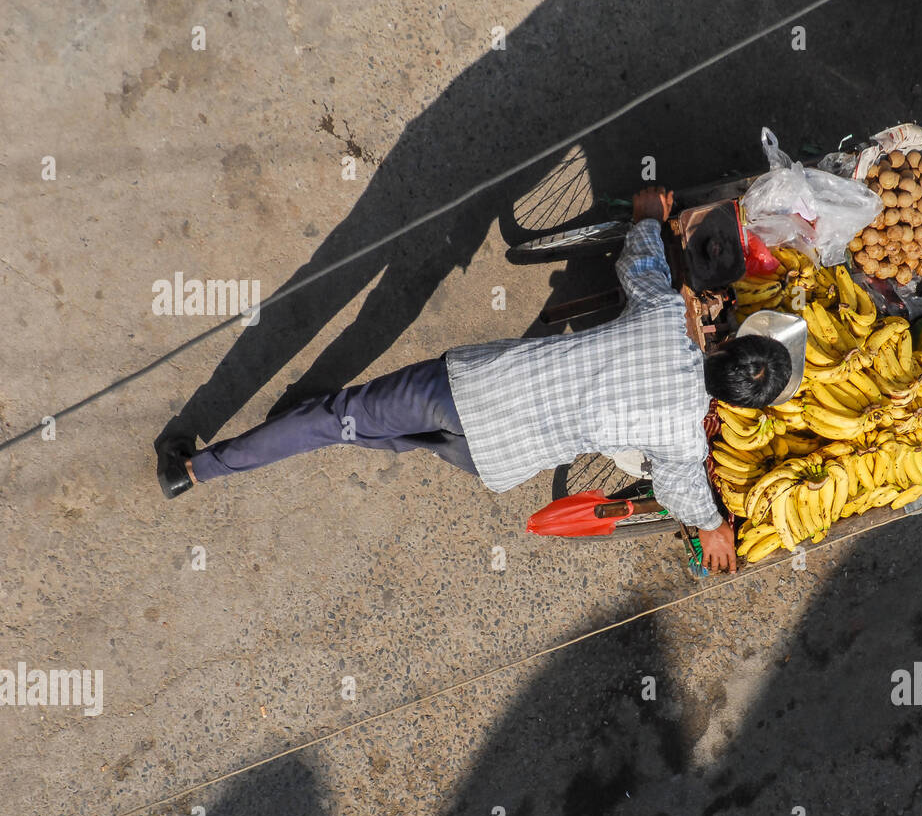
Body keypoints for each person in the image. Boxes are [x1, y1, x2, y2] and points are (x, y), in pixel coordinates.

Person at [157, 186, 792, 573]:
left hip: (467, 389)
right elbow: (685, 497)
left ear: (733, 341)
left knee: (342, 417)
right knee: (384, 433)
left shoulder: (663, 317)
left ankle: (194, 471)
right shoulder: (686, 441)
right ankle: (325, 423)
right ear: (738, 403)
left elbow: (641, 259)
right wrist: (712, 527)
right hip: (493, 456)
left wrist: (650, 215)